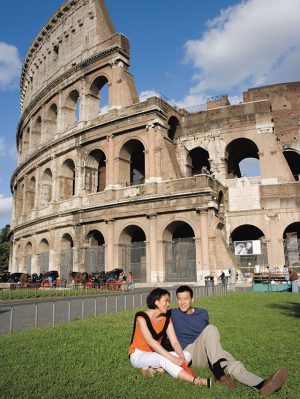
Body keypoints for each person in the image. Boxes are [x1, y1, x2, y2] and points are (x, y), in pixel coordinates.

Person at [169, 285, 288, 395]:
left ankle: (261, 384)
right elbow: (152, 316)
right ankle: (220, 374)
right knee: (211, 329)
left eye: (185, 299)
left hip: (207, 352)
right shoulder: (173, 314)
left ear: (192, 299)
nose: (182, 302)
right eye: (179, 299)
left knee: (231, 362)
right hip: (189, 353)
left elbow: (208, 338)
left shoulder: (202, 313)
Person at [128, 288, 211, 388]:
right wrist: (172, 358)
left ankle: (156, 370)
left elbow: (175, 342)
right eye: (166, 301)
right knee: (165, 358)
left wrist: (182, 358)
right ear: (156, 302)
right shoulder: (141, 317)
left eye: (169, 301)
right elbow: (151, 342)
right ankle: (196, 381)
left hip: (154, 353)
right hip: (138, 354)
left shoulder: (166, 319)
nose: (168, 304)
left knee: (187, 354)